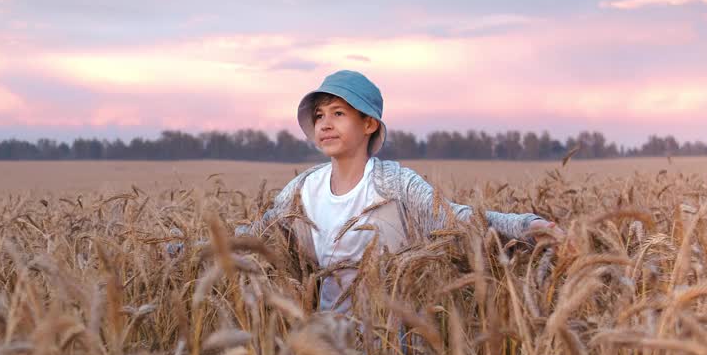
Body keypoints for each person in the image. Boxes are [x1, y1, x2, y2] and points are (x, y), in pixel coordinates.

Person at [237, 69, 560, 319]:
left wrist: (528, 227)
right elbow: (258, 236)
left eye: (338, 113)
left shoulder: (395, 183)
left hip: (393, 345)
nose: (324, 123)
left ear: (369, 124)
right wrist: (193, 249)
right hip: (327, 345)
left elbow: (457, 219)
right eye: (319, 115)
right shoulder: (303, 189)